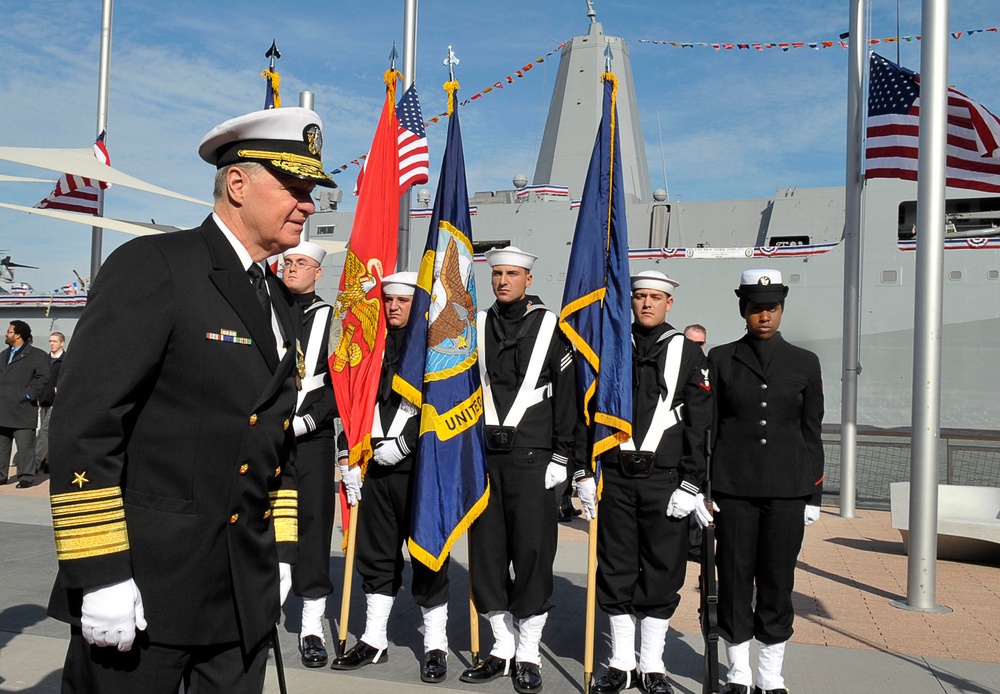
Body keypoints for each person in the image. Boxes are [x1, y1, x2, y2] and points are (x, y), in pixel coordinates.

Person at [47, 106, 335, 694]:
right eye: (295, 187)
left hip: (240, 597)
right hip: (145, 594)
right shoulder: (157, 267)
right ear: (238, 183)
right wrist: (100, 573)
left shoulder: (279, 302)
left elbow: (271, 441)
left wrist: (278, 553)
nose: (308, 204)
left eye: (311, 191)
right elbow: (86, 425)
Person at [580, 270, 713, 694]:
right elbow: (589, 412)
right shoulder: (611, 345)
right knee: (616, 569)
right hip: (616, 479)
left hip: (665, 481)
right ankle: (620, 663)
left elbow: (701, 424)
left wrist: (692, 484)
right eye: (639, 296)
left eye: (656, 297)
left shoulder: (689, 354)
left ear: (669, 303)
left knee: (662, 571)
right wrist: (585, 471)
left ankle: (651, 665)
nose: (647, 304)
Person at [461, 246, 578, 694]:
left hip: (533, 458)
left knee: (531, 555)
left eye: (512, 274)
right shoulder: (476, 325)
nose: (503, 281)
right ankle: (501, 647)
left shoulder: (552, 328)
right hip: (486, 457)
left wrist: (564, 457)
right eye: (497, 274)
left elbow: (568, 397)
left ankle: (528, 653)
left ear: (528, 280)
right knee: (488, 557)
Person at [706, 269, 824, 694]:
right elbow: (710, 428)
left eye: (771, 308)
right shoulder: (721, 359)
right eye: (756, 309)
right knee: (734, 577)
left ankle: (770, 675)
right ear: (744, 310)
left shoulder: (805, 363)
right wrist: (705, 488)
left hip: (789, 488)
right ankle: (738, 671)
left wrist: (815, 492)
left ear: (781, 310)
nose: (764, 316)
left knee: (777, 579)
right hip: (733, 489)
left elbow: (812, 430)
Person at [331, 271, 452, 684]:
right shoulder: (369, 350)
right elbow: (352, 403)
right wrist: (347, 455)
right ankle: (374, 639)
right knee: (376, 557)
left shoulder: (434, 352)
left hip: (418, 467)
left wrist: (407, 443)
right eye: (389, 301)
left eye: (403, 301)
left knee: (427, 556)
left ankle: (435, 644)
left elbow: (445, 406)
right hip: (372, 468)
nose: (395, 307)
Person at [281, 240, 338, 668]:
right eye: (287, 261)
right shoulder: (264, 310)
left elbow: (345, 386)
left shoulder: (333, 320)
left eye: (301, 263)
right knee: (260, 528)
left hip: (311, 439)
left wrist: (309, 421)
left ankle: (313, 626)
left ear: (318, 272)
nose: (291, 268)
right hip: (264, 439)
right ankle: (260, 612)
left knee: (313, 530)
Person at [0, 320, 49, 488]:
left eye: (9, 331)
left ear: (18, 335)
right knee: (1, 446)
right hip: (3, 407)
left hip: (23, 408)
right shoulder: (3, 355)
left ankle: (26, 476)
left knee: (25, 447)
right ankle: (1, 475)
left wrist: (27, 394)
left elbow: (43, 378)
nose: (6, 334)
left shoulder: (38, 355)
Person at [682, 323, 708, 561]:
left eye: (700, 343)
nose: (696, 347)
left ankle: (695, 543)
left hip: (701, 443)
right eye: (691, 342)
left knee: (698, 494)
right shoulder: (676, 365)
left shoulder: (710, 368)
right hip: (678, 443)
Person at [35, 330, 65, 473]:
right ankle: (47, 461)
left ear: (62, 343)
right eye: (50, 341)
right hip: (43, 400)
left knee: (46, 431)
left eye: (55, 341)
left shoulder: (66, 361)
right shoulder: (45, 360)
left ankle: (33, 463)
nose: (52, 344)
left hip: (57, 402)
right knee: (45, 432)